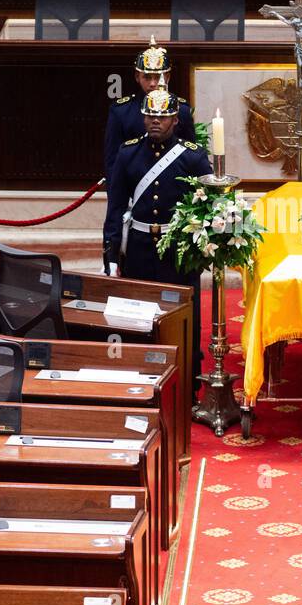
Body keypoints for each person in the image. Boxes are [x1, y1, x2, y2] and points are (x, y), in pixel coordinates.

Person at [103, 86, 212, 390]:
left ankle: (187, 385)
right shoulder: (128, 153)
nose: (155, 122)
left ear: (175, 120)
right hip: (138, 249)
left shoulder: (192, 157)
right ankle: (142, 382)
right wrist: (110, 256)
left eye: (162, 117)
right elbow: (115, 208)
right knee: (140, 319)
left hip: (177, 251)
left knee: (182, 319)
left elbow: (208, 206)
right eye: (150, 115)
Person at [103, 37, 196, 178]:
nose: (153, 83)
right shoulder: (121, 111)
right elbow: (113, 163)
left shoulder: (181, 109)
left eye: (158, 77)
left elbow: (190, 157)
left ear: (168, 77)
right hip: (135, 188)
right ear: (137, 77)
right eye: (147, 77)